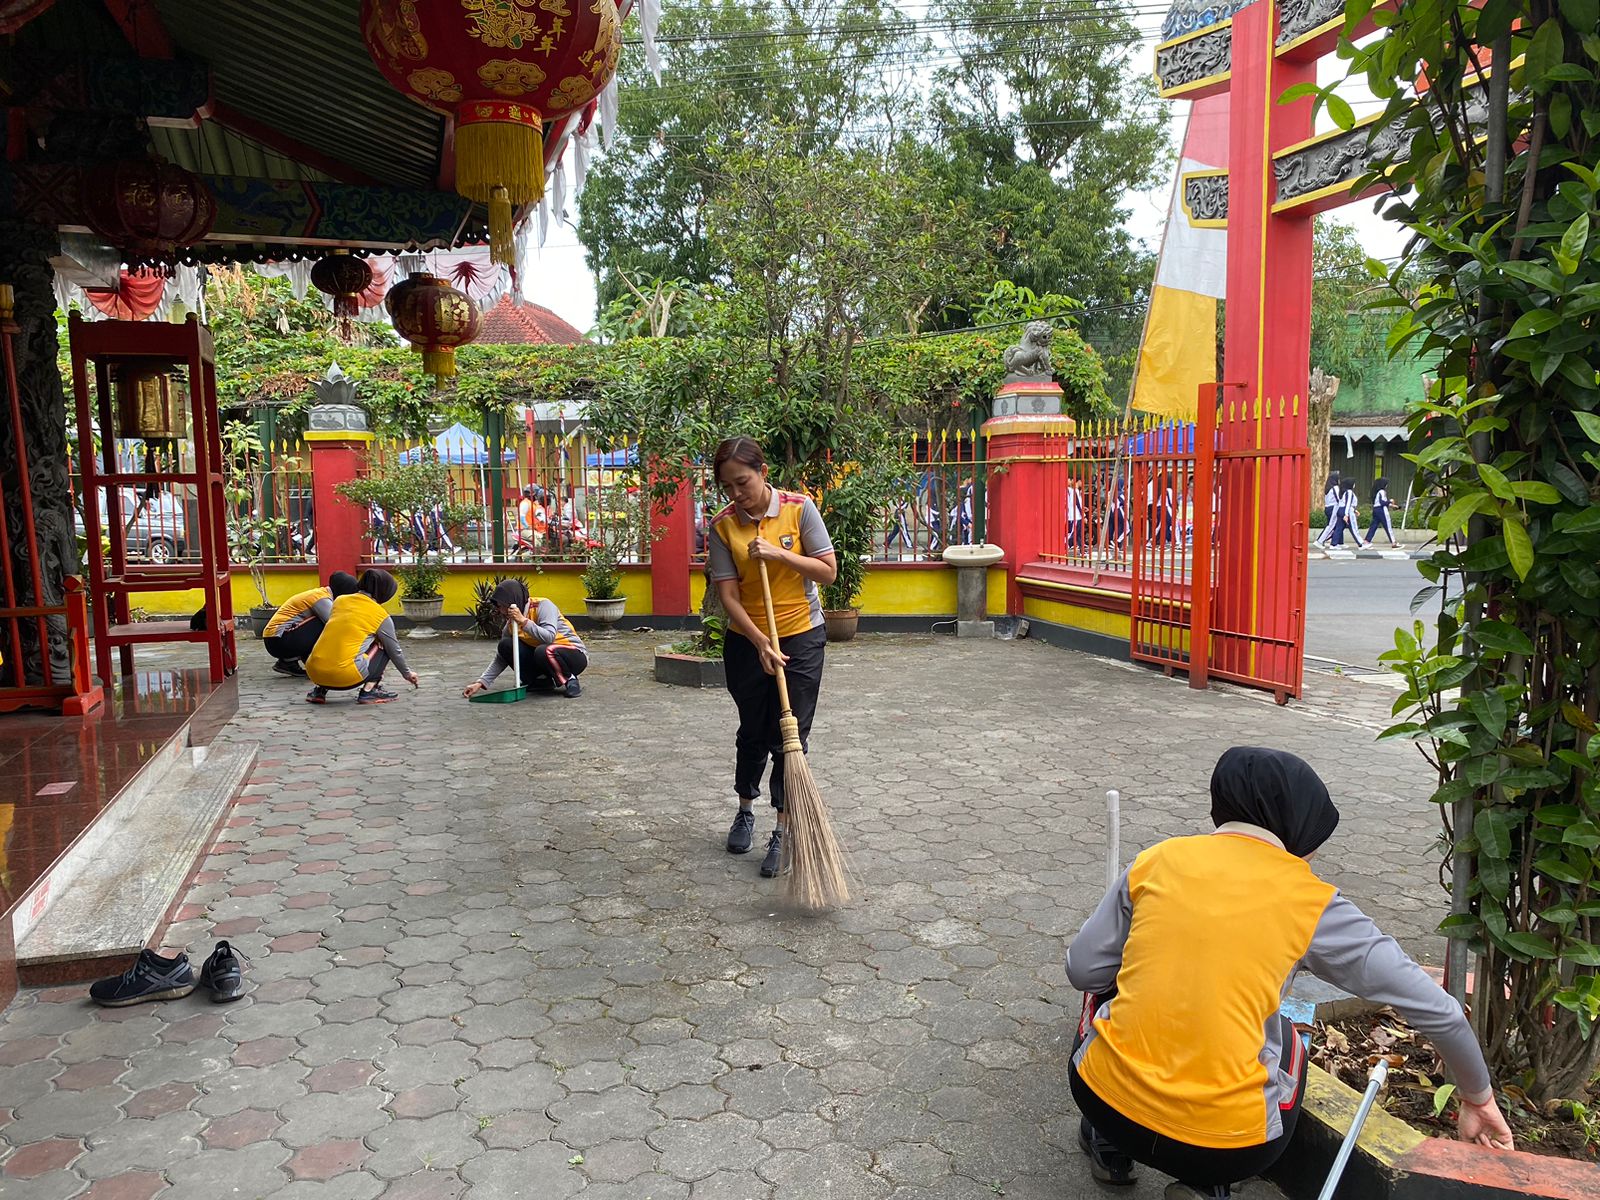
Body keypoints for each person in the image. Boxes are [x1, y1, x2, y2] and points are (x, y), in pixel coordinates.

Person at [1065, 747, 1513, 1198]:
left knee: (1106, 985)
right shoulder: (1313, 903)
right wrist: (1478, 1099)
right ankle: (1208, 1184)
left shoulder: (1156, 860)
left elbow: (1082, 969)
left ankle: (1110, 1146)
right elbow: (1441, 1012)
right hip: (1229, 1147)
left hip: (1101, 1100)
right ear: (1295, 825)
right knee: (1286, 1033)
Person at [706, 436, 838, 879]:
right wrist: (760, 640)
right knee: (754, 730)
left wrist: (780, 553)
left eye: (742, 482)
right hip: (748, 641)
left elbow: (828, 570)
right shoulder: (724, 525)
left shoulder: (800, 509)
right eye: (728, 487)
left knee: (791, 735)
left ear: (762, 471)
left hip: (801, 635)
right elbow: (727, 595)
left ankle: (782, 828)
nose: (736, 494)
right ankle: (745, 807)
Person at [304, 568, 419, 705]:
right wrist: (407, 674)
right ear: (384, 591)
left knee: (339, 637)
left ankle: (319, 691)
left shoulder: (340, 601)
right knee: (383, 645)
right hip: (345, 676)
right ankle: (369, 691)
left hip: (314, 672)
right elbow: (394, 650)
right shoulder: (380, 615)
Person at [461, 579, 587, 699]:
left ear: (511, 601)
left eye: (501, 606)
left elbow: (549, 637)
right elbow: (501, 658)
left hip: (573, 654)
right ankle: (540, 681)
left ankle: (571, 680)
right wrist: (480, 683)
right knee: (506, 645)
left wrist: (523, 621)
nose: (499, 610)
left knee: (543, 650)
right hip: (546, 657)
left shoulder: (543, 605)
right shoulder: (511, 624)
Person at [262, 571, 358, 677]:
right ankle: (317, 664)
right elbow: (335, 622)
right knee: (328, 624)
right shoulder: (320, 599)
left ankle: (288, 663)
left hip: (275, 639)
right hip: (278, 640)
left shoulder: (321, 594)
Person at [1332, 476, 1369, 548]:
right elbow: (1348, 503)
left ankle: (1333, 544)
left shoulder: (1344, 492)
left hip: (1341, 510)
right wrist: (1346, 514)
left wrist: (1354, 510)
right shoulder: (1349, 492)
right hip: (1347, 511)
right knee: (1353, 527)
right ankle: (1361, 543)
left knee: (1339, 528)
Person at [1366, 476, 1400, 547]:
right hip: (1381, 510)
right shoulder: (1382, 491)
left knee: (1374, 525)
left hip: (1375, 510)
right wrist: (1390, 501)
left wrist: (1392, 505)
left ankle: (1367, 540)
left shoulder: (1377, 492)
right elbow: (1382, 502)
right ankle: (1393, 542)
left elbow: (1380, 502)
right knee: (1388, 526)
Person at [1313, 472, 1341, 548]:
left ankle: (1335, 541)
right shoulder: (1335, 488)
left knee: (1331, 525)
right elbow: (1338, 498)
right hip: (1333, 508)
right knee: (1331, 526)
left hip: (1327, 507)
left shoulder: (1328, 488)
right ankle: (1320, 541)